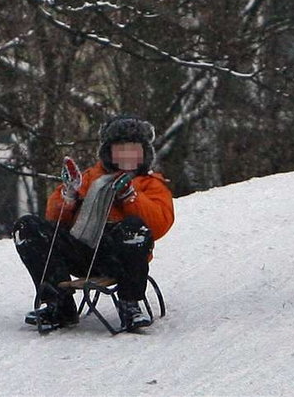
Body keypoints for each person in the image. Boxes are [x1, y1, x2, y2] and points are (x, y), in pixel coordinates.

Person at [12, 115, 174, 330]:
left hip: (119, 257)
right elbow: (55, 219)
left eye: (133, 148)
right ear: (108, 152)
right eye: (120, 148)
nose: (127, 154)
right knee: (28, 227)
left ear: (144, 152)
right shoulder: (89, 178)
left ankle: (129, 304)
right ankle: (59, 304)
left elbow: (159, 225)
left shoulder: (151, 184)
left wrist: (130, 197)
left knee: (133, 228)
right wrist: (68, 197)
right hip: (82, 251)